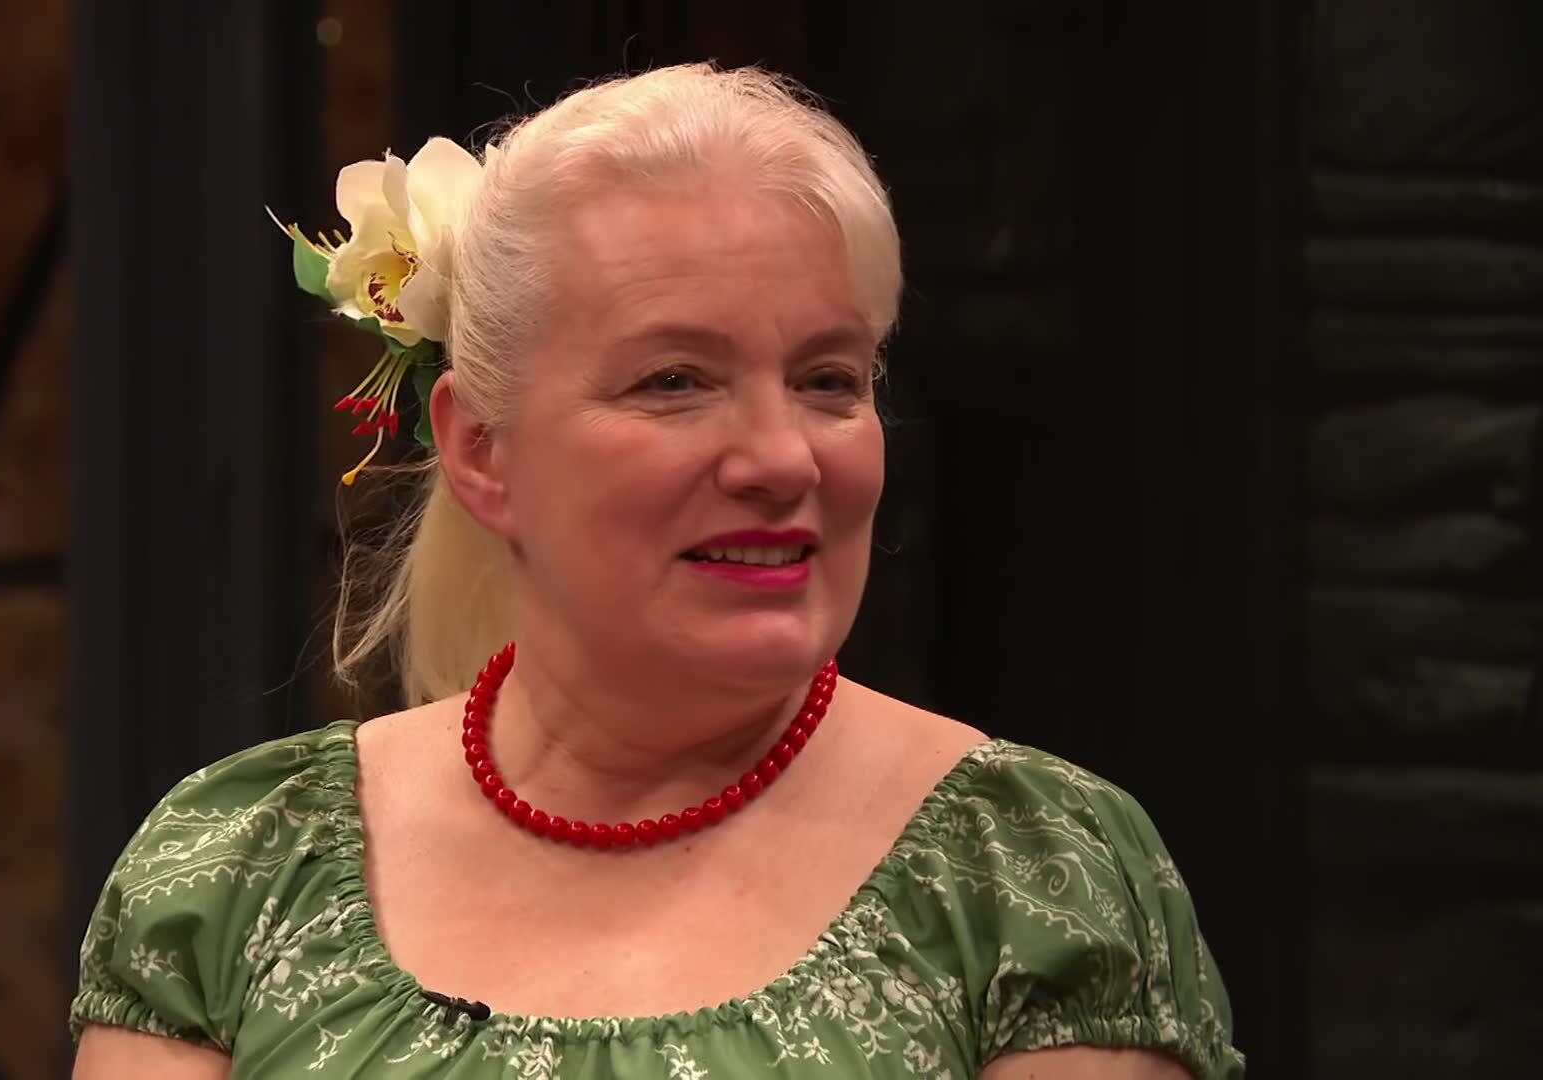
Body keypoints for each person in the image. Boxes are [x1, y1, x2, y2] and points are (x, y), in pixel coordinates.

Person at [67, 63, 1245, 1079]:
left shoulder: (1026, 880)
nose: (783, 459)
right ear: (482, 451)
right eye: (674, 380)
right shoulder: (241, 867)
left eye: (829, 380)